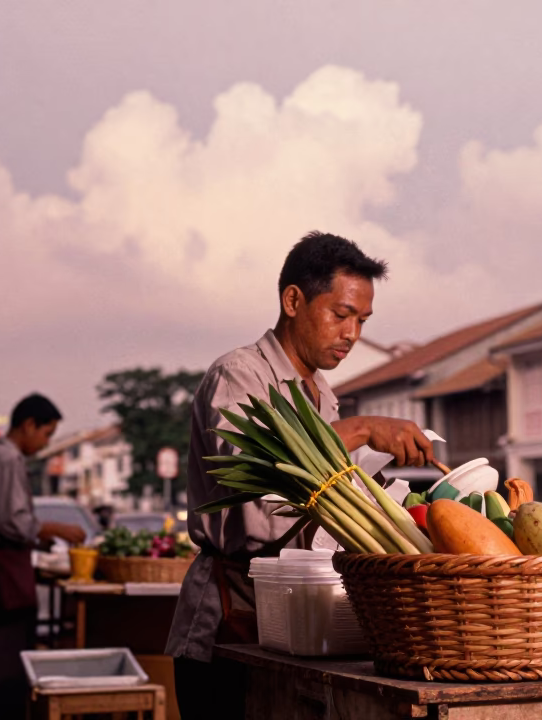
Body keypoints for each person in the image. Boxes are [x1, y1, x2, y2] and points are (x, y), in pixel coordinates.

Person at [166, 231, 437, 719]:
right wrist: (361, 429)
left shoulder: (321, 394)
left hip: (298, 623)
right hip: (231, 622)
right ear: (293, 300)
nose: (352, 333)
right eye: (340, 315)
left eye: (362, 320)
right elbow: (255, 491)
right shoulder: (239, 376)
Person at [0, 394, 87, 720]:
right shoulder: (5, 459)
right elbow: (10, 521)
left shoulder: (2, 457)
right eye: (46, 434)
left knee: (2, 657)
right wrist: (54, 529)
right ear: (28, 425)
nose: (45, 444)